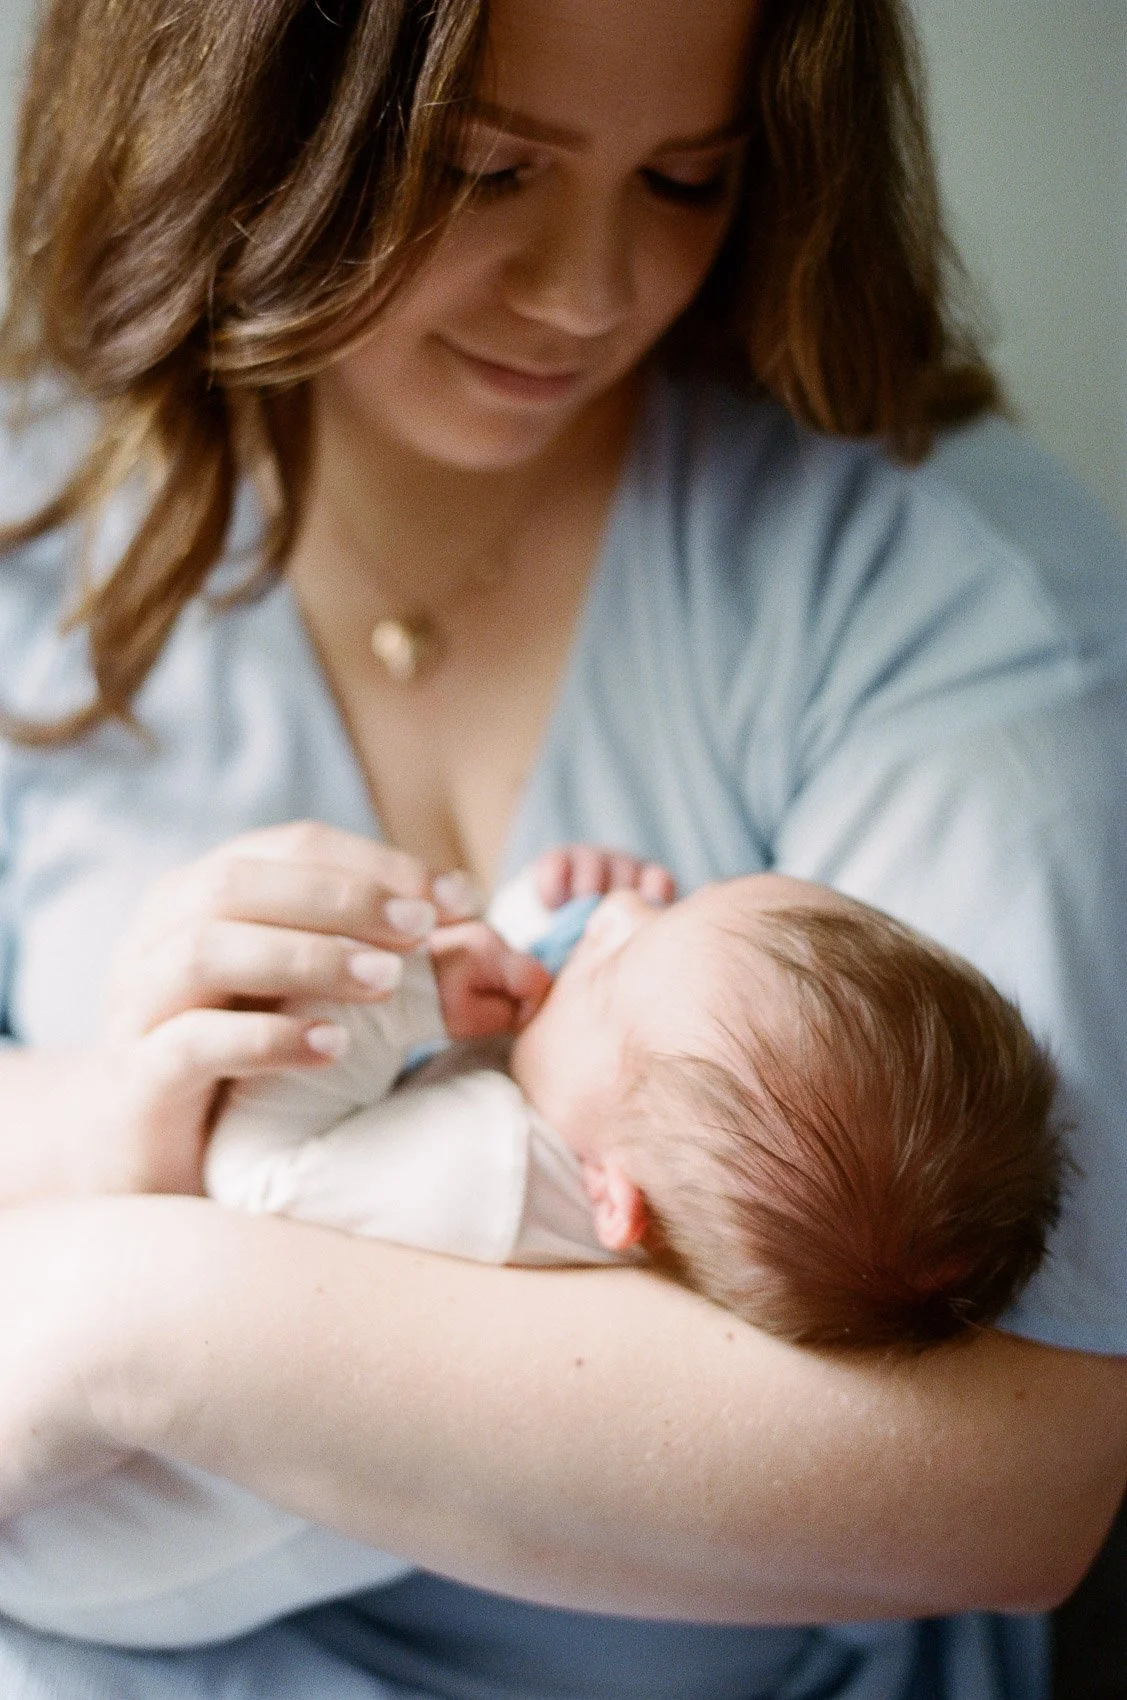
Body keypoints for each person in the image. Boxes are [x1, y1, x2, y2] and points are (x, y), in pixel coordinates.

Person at [0, 0, 1124, 1694]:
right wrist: (113, 1108)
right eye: (486, 170)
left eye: (686, 179)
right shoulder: (39, 529)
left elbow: (1010, 1478)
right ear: (251, 113)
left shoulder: (943, 588)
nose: (589, 292)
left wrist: (129, 1320)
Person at [0, 855, 1063, 1649]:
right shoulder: (636, 1190)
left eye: (614, 960)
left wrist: (402, 993)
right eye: (673, 902)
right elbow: (543, 1059)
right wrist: (532, 932)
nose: (614, 912)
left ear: (611, 1194)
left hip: (89, 1536)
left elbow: (262, 1181)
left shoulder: (494, 1177)